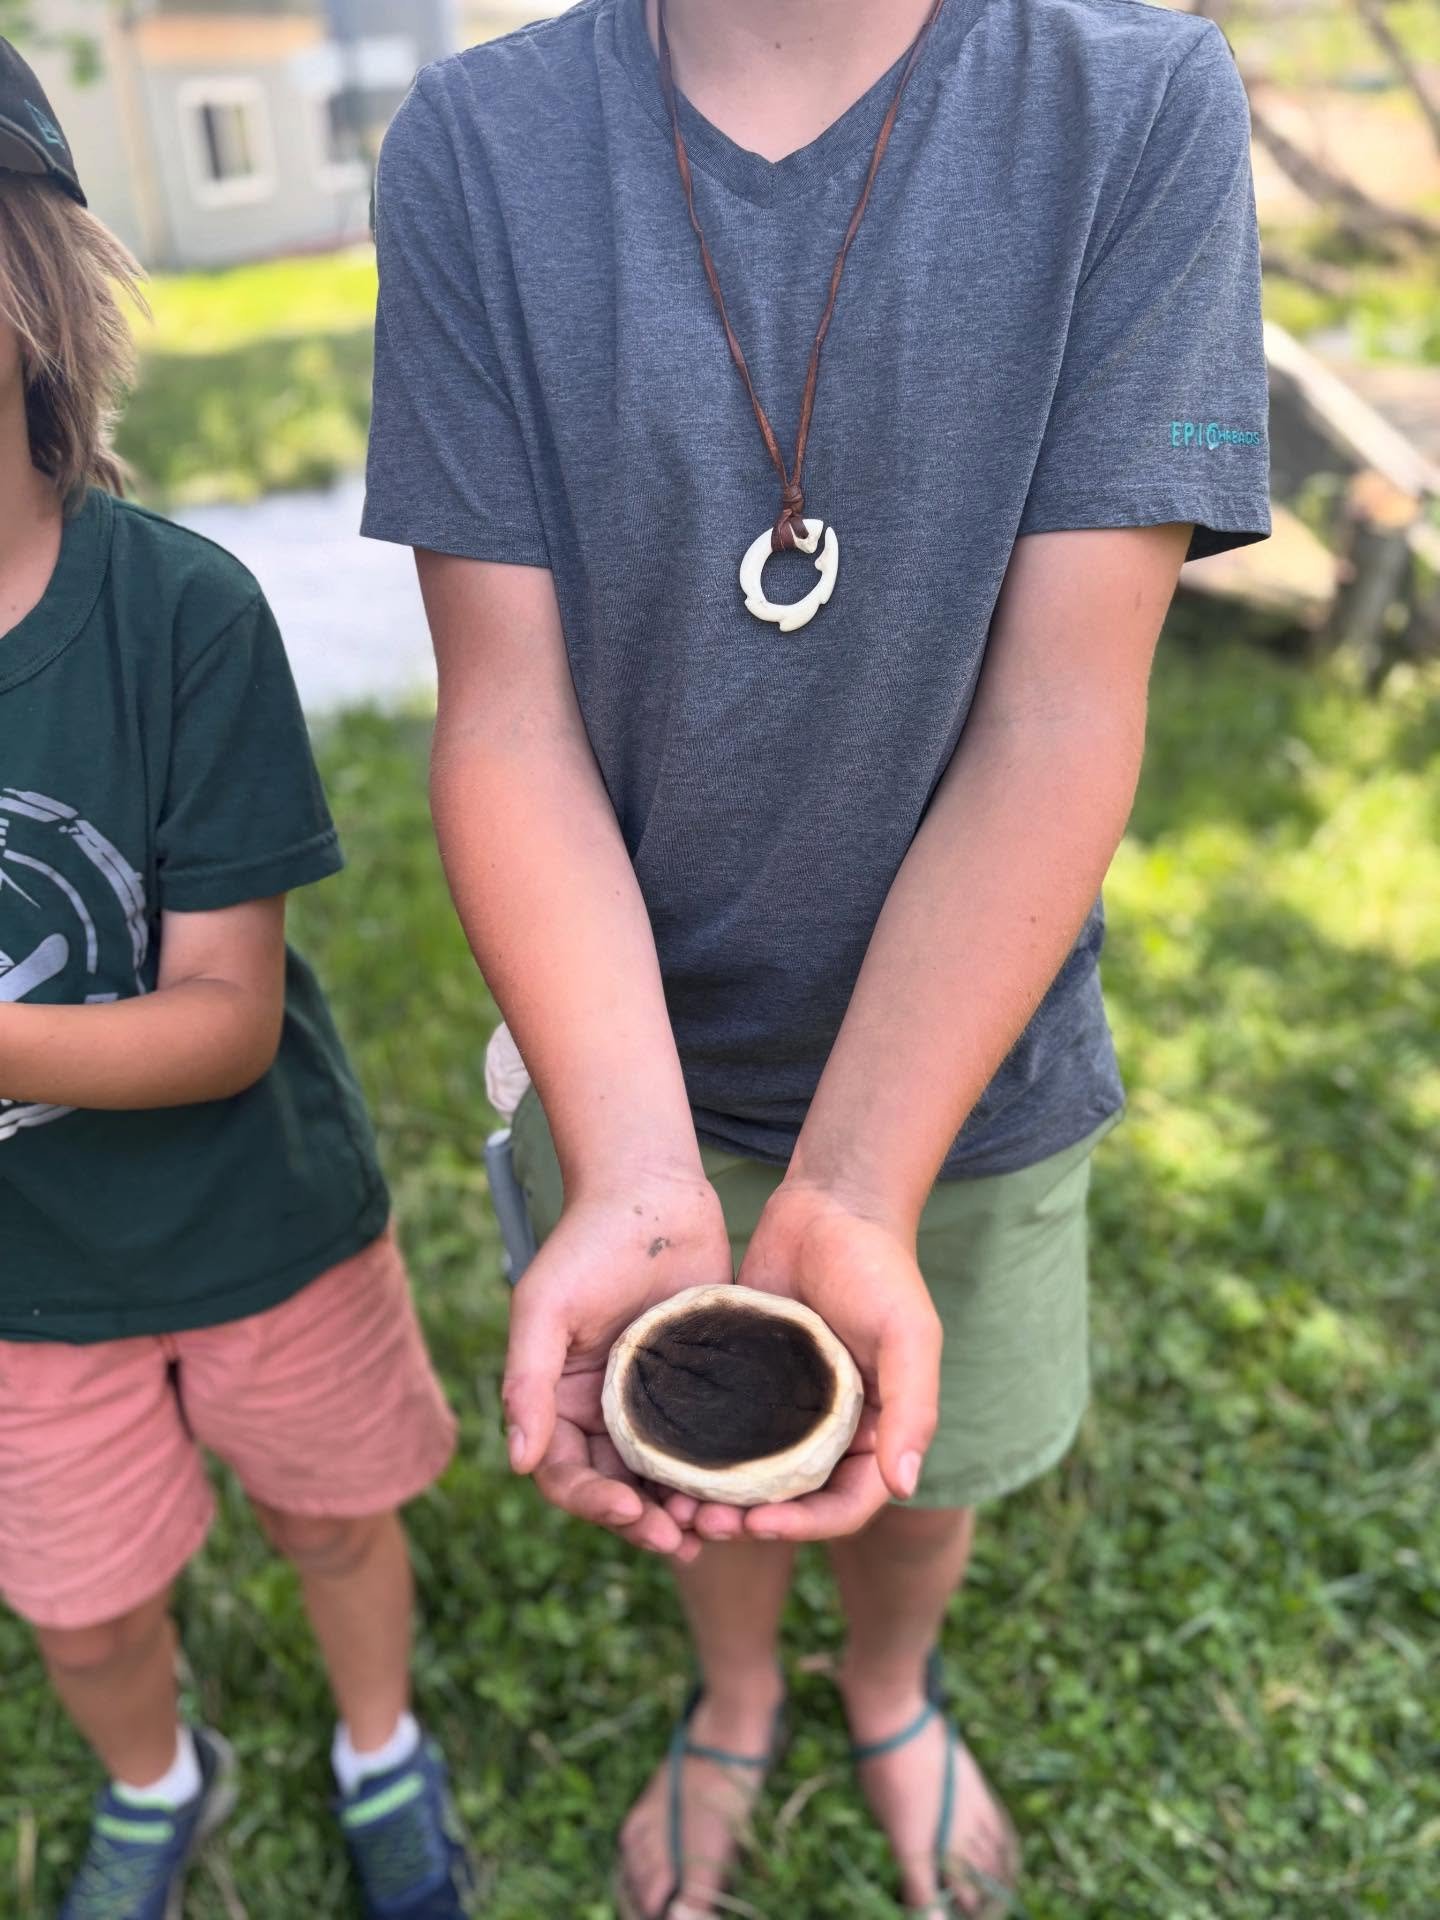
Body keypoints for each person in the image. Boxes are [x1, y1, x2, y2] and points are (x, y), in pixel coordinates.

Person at [363, 0, 1270, 1912]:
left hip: (970, 1067)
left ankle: (884, 1682)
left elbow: (1058, 715)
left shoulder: (1138, 102)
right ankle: (738, 1690)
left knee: (911, 1460)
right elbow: (506, 716)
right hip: (623, 1058)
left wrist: (857, 1185)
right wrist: (630, 1161)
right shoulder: (472, 145)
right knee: (705, 1451)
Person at [0, 41, 473, 1920]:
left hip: (262, 1223)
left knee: (337, 1521)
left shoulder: (178, 612)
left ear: (32, 288)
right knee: (86, 1605)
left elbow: (224, 1023)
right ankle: (155, 1778)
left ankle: (380, 1747)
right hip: (29, 1288)